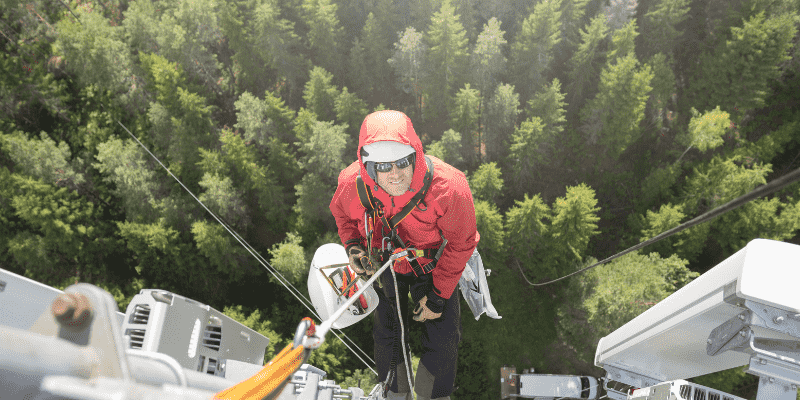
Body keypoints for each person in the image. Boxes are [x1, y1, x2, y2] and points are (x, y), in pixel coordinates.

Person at [330, 110, 479, 400]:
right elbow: (343, 219)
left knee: (443, 338)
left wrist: (437, 295)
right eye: (383, 166)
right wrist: (353, 247)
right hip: (385, 264)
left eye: (402, 162)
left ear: (415, 155)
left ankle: (431, 396)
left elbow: (462, 242)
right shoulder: (351, 184)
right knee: (388, 336)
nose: (395, 173)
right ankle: (396, 395)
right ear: (368, 166)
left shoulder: (449, 187)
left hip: (433, 265)